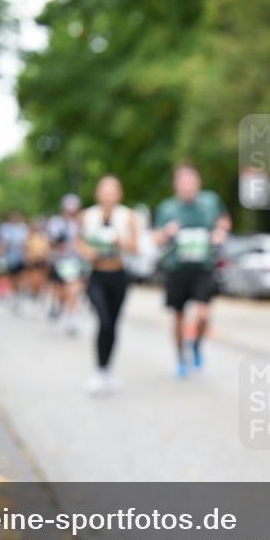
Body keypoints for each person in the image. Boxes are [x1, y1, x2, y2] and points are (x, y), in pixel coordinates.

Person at [153, 163, 230, 378]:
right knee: (178, 317)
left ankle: (196, 344)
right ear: (176, 185)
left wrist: (220, 232)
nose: (187, 186)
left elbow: (224, 222)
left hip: (203, 267)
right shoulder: (167, 208)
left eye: (190, 181)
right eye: (182, 182)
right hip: (177, 269)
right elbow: (155, 238)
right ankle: (180, 358)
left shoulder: (210, 202)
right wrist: (167, 233)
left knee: (204, 314)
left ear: (198, 183)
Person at [77, 175, 138, 394]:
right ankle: (98, 370)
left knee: (112, 324)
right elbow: (78, 243)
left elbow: (136, 246)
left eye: (113, 190)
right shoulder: (87, 216)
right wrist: (87, 252)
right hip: (97, 275)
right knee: (103, 321)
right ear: (98, 193)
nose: (109, 195)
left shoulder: (128, 216)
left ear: (119, 194)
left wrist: (120, 241)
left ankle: (107, 369)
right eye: (105, 190)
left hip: (118, 275)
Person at [47, 194, 86, 335]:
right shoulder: (56, 222)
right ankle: (64, 310)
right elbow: (51, 242)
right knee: (61, 292)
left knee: (74, 290)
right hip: (59, 262)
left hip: (75, 262)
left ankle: (72, 318)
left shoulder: (80, 223)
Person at [0, 211, 29, 312]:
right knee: (8, 277)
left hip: (20, 257)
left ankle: (18, 296)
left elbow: (25, 243)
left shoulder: (23, 228)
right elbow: (2, 243)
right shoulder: (5, 228)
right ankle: (9, 293)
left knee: (20, 277)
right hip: (9, 257)